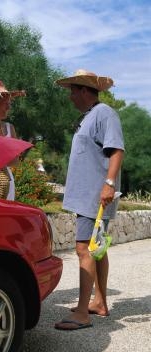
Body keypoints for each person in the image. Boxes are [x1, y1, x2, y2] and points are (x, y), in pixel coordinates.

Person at [54, 69, 124, 331]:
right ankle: (100, 303)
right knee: (96, 251)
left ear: (84, 90)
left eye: (73, 90)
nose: (70, 96)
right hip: (89, 197)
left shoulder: (104, 113)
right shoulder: (88, 117)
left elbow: (116, 150)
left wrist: (108, 184)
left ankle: (82, 313)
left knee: (84, 249)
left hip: (96, 197)